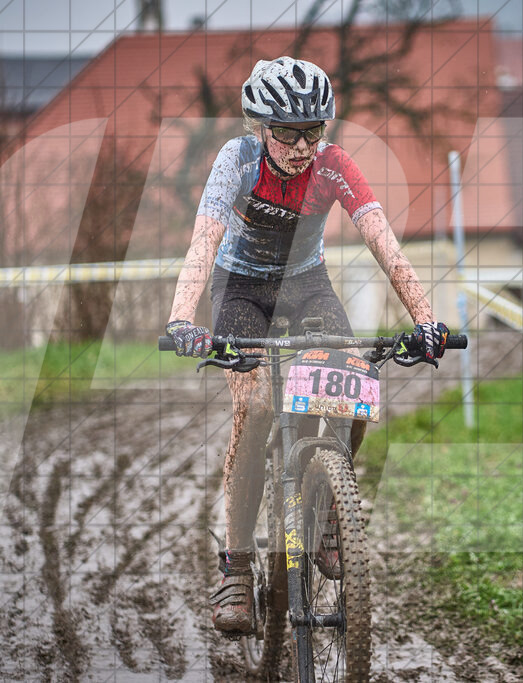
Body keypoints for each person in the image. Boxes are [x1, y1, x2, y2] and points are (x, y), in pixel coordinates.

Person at [165, 56, 449, 635]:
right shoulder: (236, 161)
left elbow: (384, 242)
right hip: (240, 287)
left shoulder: (333, 165)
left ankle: (328, 512)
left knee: (358, 383)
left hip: (306, 284)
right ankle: (236, 565)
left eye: (313, 131)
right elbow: (203, 241)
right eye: (287, 133)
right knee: (257, 406)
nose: (301, 146)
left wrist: (426, 320)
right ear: (259, 127)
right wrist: (182, 320)